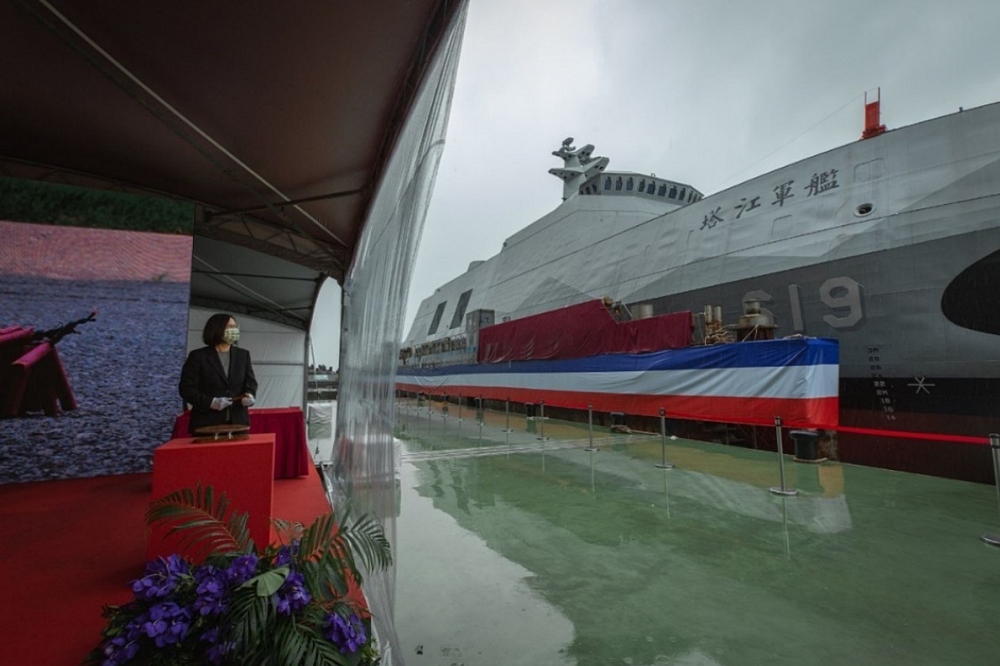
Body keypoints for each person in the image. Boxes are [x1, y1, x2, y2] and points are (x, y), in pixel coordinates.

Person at [179, 313, 258, 435]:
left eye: (235, 327)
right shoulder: (198, 356)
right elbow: (186, 389)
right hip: (206, 424)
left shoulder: (243, 355)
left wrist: (250, 395)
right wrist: (211, 402)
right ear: (217, 328)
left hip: (238, 423)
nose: (234, 330)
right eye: (229, 327)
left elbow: (251, 382)